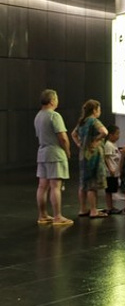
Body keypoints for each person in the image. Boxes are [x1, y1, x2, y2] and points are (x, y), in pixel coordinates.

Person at [34, 89, 73, 226]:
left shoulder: (38, 116)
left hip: (42, 152)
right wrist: (67, 150)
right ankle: (57, 216)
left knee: (42, 186)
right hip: (55, 153)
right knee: (55, 186)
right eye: (56, 98)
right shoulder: (54, 115)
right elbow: (62, 137)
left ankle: (42, 215)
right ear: (52, 101)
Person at [71, 99, 109, 218]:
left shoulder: (82, 122)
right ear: (94, 110)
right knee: (92, 183)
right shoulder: (94, 121)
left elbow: (73, 134)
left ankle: (82, 209)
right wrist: (95, 140)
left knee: (83, 183)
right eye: (99, 109)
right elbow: (104, 132)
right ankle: (93, 210)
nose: (100, 112)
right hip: (93, 154)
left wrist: (80, 143)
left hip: (83, 154)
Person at [103, 124, 122, 214]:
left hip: (114, 171)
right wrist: (110, 168)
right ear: (110, 135)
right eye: (117, 134)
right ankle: (109, 207)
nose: (118, 136)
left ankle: (111, 206)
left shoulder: (113, 144)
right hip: (110, 172)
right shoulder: (108, 145)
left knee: (112, 190)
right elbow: (106, 158)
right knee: (109, 191)